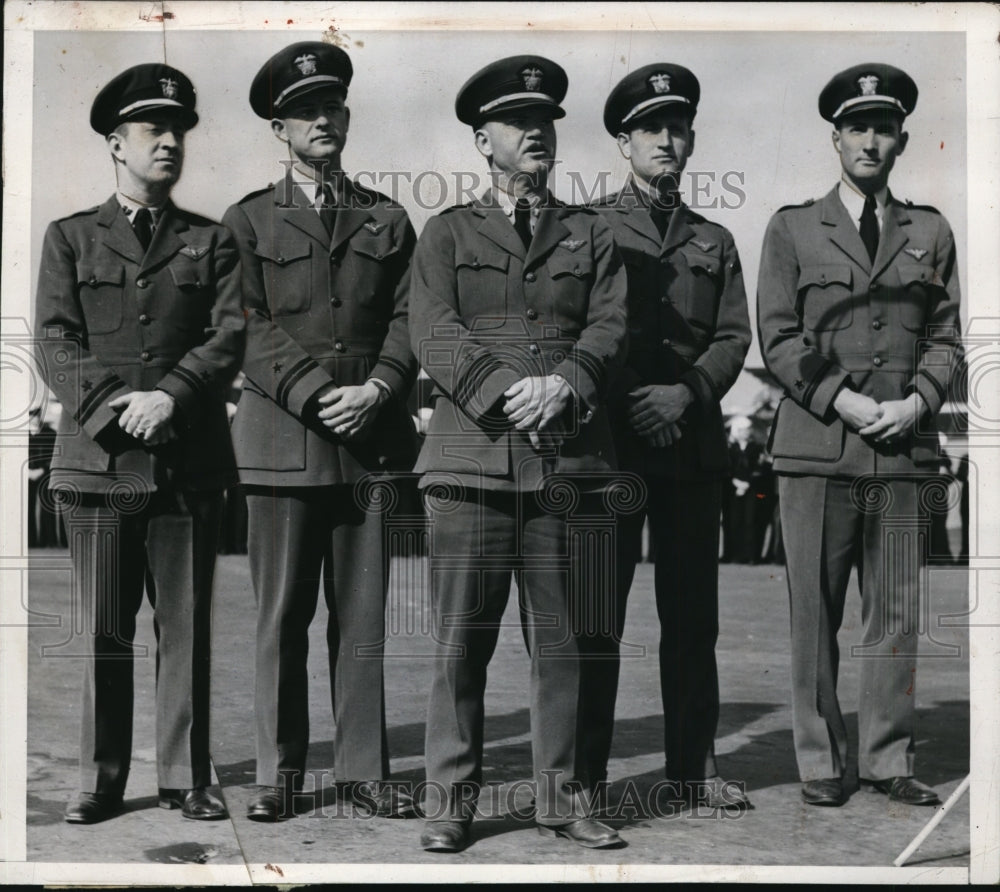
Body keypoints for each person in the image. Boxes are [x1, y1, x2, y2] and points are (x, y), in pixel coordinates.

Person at [409, 55, 629, 853]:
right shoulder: (445, 232)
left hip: (568, 464)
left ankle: (564, 799)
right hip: (471, 463)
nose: (535, 133)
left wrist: (566, 383)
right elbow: (433, 330)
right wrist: (511, 391)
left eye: (545, 122)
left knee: (563, 643)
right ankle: (450, 803)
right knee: (461, 642)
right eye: (516, 123)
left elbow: (609, 326)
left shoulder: (592, 233)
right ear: (483, 140)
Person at [34, 63, 245, 823]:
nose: (170, 144)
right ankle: (101, 778)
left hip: (188, 463)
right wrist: (116, 406)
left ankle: (189, 777)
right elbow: (55, 341)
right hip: (98, 463)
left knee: (186, 628)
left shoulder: (211, 240)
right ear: (115, 144)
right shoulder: (69, 237)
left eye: (179, 131)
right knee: (103, 630)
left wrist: (173, 396)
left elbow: (230, 334)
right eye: (154, 130)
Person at [221, 42, 419, 822]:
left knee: (364, 617)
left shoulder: (388, 217)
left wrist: (378, 387)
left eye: (333, 105)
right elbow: (243, 322)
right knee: (281, 617)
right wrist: (314, 391)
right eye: (306, 111)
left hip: (369, 439)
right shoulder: (245, 220)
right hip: (281, 443)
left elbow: (413, 318)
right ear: (279, 127)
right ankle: (279, 772)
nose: (323, 120)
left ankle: (366, 769)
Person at [757, 63, 962, 807]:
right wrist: (840, 399)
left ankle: (885, 756)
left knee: (897, 612)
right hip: (817, 447)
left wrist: (919, 403)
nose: (870, 141)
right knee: (815, 612)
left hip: (904, 450)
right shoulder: (791, 228)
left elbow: (946, 338)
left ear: (902, 138)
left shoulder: (930, 231)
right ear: (835, 137)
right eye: (857, 127)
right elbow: (777, 336)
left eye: (884, 128)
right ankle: (819, 760)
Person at [587, 64, 752, 810]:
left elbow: (732, 334)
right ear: (625, 140)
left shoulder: (713, 238)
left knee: (693, 619)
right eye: (651, 127)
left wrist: (682, 392)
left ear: (690, 141)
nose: (666, 139)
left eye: (677, 127)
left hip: (691, 449)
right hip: (613, 446)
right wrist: (637, 400)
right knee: (599, 618)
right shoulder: (588, 226)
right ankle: (586, 771)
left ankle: (693, 767)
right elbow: (586, 329)